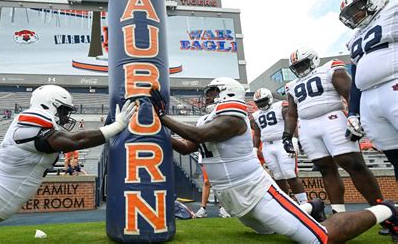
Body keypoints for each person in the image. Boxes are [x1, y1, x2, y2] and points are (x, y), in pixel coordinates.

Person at [150, 77, 398, 243]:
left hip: (255, 189)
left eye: (213, 92)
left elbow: (197, 135)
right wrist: (157, 131)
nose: (208, 97)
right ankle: (313, 207)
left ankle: (387, 209)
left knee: (318, 238)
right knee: (268, 230)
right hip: (230, 194)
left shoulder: (234, 117)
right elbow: (185, 146)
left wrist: (162, 117)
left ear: (229, 93)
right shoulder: (208, 119)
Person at [0, 85, 136, 243]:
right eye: (63, 110)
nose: (66, 116)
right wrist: (116, 126)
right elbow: (73, 141)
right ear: (49, 105)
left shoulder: (46, 128)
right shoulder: (31, 119)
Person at [283, 47, 384, 214]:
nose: (300, 69)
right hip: (307, 126)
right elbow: (292, 113)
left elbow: (349, 93)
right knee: (324, 168)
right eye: (297, 67)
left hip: (333, 119)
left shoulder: (330, 68)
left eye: (303, 64)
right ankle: (338, 213)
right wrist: (287, 136)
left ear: (314, 59)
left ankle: (384, 211)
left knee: (352, 163)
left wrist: (355, 116)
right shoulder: (291, 85)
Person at [339, 0, 397, 180]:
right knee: (394, 156)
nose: (354, 15)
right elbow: (355, 76)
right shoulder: (355, 37)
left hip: (393, 84)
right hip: (369, 98)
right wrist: (353, 111)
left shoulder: (392, 12)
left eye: (357, 8)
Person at [252, 88, 308, 205]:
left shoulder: (280, 107)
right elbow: (257, 134)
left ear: (270, 99)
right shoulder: (256, 115)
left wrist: (294, 139)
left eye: (263, 100)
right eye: (259, 102)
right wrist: (255, 148)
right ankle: (285, 203)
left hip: (282, 142)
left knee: (290, 173)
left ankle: (304, 203)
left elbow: (291, 122)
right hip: (267, 146)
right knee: (277, 176)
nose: (262, 104)